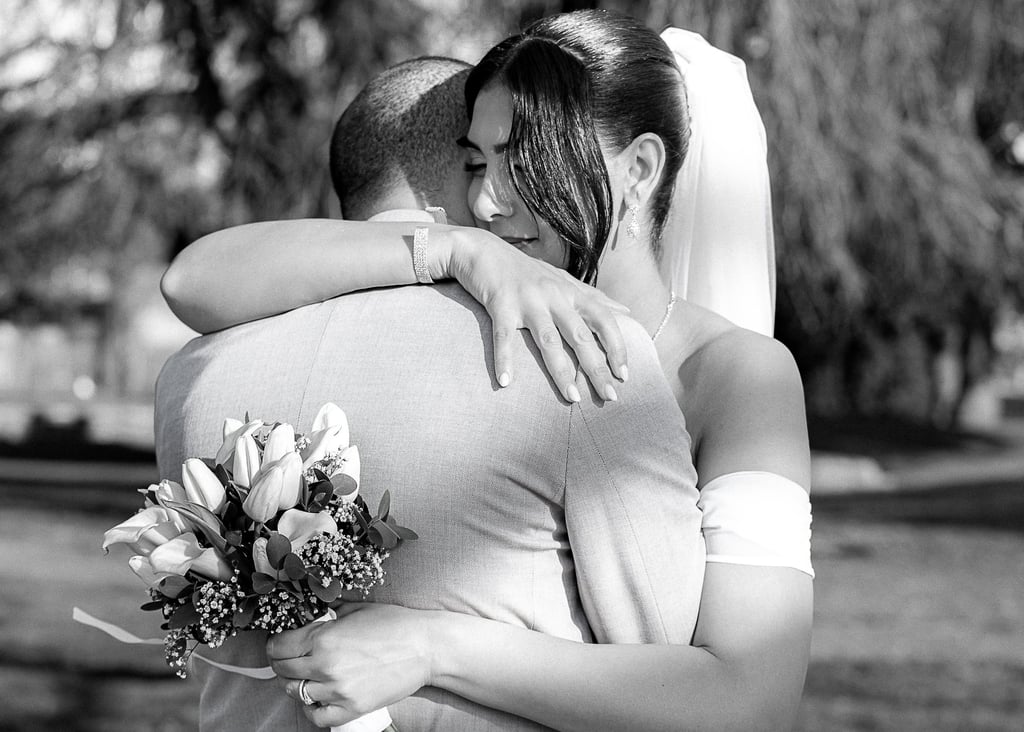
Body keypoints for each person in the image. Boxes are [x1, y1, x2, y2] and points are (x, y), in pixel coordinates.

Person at [162, 10, 814, 730]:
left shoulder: (739, 377)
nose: (485, 203)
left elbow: (755, 697)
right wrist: (449, 249)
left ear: (639, 170)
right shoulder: (493, 336)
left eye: (525, 159)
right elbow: (193, 278)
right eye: (477, 163)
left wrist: (434, 645)